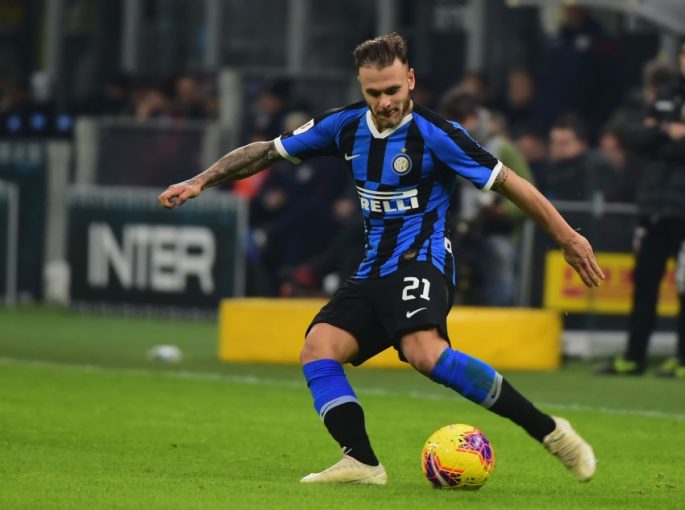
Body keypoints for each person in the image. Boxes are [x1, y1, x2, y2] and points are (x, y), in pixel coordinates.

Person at [159, 33, 603, 485]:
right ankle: (362, 462)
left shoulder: (438, 134)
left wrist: (567, 237)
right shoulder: (343, 126)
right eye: (374, 93)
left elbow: (512, 184)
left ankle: (551, 432)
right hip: (374, 268)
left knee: (424, 353)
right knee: (318, 348)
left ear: (410, 80)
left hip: (423, 259)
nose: (384, 102)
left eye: (392, 90)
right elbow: (267, 151)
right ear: (361, 87)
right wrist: (200, 181)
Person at [597, 32, 685, 378]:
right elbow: (635, 137)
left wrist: (658, 134)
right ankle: (633, 357)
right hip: (654, 204)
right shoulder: (668, 91)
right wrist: (667, 131)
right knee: (644, 282)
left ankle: (684, 359)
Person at [440, 90, 534, 306]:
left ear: (473, 117)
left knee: (499, 261)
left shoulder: (503, 148)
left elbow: (529, 190)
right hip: (461, 227)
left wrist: (502, 212)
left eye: (461, 120)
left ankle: (502, 318)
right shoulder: (450, 144)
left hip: (499, 230)